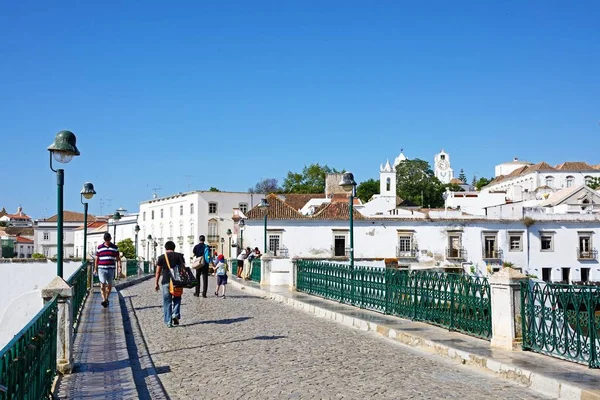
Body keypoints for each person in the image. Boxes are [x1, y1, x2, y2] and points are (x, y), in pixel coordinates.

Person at [154, 241, 185, 327]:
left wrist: (156, 283)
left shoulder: (161, 257)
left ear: (165, 248)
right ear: (174, 248)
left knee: (167, 302)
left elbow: (158, 272)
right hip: (177, 281)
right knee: (177, 298)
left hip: (166, 281)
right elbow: (183, 269)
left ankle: (168, 321)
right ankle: (175, 314)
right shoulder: (179, 256)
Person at [94, 232, 122, 308]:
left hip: (111, 269)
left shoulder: (115, 247)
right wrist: (95, 268)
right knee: (102, 284)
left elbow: (118, 258)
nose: (107, 241)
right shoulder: (100, 247)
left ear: (110, 239)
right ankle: (104, 299)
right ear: (104, 239)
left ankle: (106, 298)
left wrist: (119, 267)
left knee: (109, 285)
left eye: (108, 240)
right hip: (101, 269)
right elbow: (97, 258)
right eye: (106, 240)